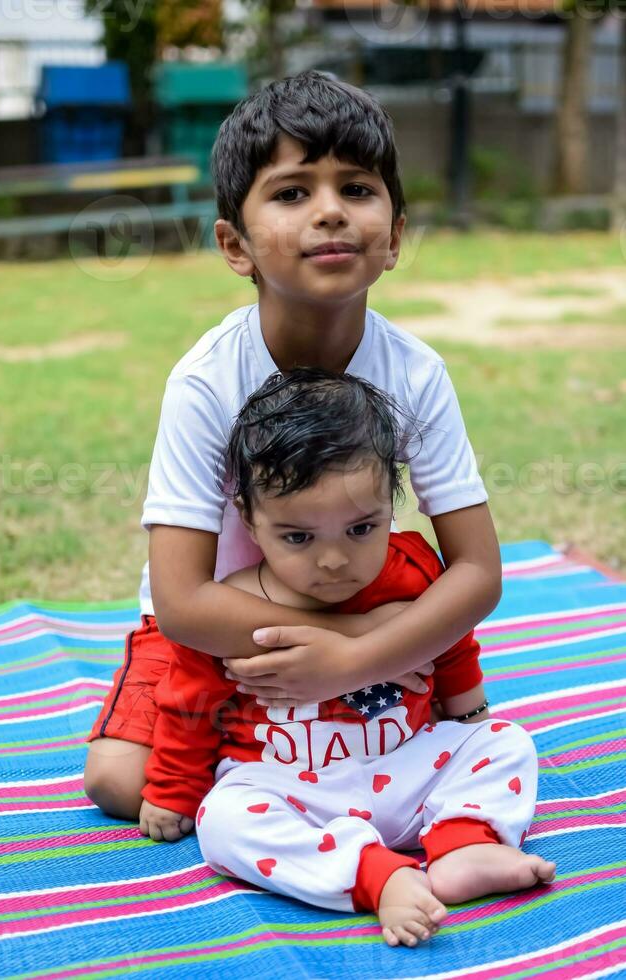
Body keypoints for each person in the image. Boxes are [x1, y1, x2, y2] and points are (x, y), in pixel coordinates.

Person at [84, 70, 504, 826]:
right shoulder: (206, 383)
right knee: (121, 781)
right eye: (291, 193)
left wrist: (354, 658)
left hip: (376, 605)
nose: (331, 213)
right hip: (227, 628)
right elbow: (181, 602)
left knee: (461, 746)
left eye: (357, 188)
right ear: (234, 245)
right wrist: (357, 645)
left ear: (396, 235)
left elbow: (477, 571)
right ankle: (288, 772)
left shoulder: (416, 373)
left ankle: (300, 769)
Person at [138, 369, 556, 949]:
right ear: (249, 517)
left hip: (405, 764)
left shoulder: (412, 570)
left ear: (393, 502)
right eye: (299, 538)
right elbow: (190, 700)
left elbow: (451, 644)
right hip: (289, 786)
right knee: (225, 822)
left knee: (505, 742)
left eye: (362, 528)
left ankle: (464, 844)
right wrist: (172, 788)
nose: (334, 560)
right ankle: (373, 877)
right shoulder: (233, 605)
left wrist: (468, 717)